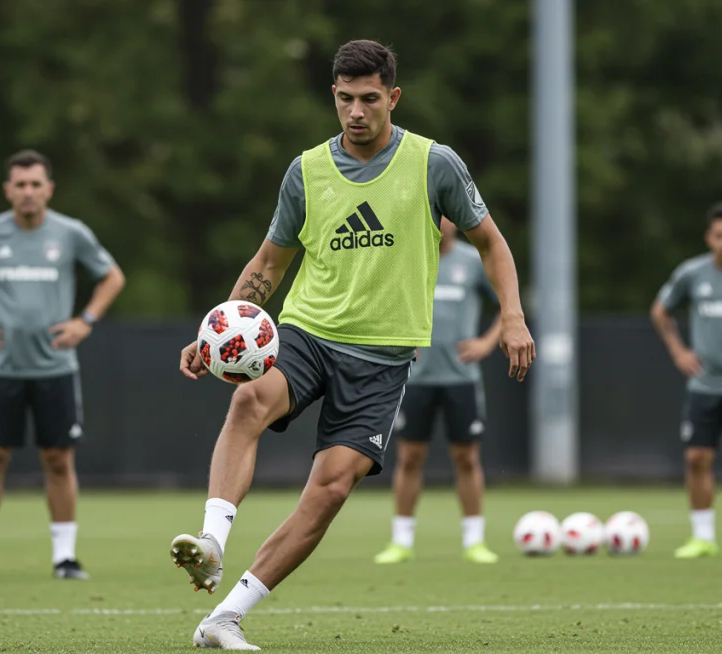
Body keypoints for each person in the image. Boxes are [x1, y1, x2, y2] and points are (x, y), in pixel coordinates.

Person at [170, 39, 535, 649]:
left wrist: (515, 317)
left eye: (370, 99)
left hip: (384, 358)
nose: (357, 111)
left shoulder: (432, 163)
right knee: (247, 401)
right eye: (345, 99)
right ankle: (211, 541)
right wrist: (217, 333)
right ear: (332, 98)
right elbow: (269, 261)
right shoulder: (306, 170)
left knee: (332, 487)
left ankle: (223, 618)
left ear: (392, 97)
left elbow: (492, 242)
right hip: (308, 332)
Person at [0, 149, 126, 581]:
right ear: (8, 190)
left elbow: (112, 276)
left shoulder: (70, 233)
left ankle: (65, 559)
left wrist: (86, 320)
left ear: (49, 189)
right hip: (1, 367)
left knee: (58, 459)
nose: (28, 192)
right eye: (20, 184)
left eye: (35, 184)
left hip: (56, 368)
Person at [372, 216, 502, 566]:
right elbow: (382, 304)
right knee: (410, 458)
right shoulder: (406, 259)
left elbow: (508, 304)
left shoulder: (472, 262)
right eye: (435, 214)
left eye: (447, 215)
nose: (442, 222)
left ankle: (474, 541)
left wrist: (487, 344)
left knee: (467, 458)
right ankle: (401, 541)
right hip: (416, 379)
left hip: (461, 378)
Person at [651, 202, 722, 560]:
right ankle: (702, 536)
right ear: (709, 237)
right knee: (697, 457)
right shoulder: (692, 273)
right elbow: (660, 310)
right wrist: (678, 351)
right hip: (704, 385)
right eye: (719, 236)